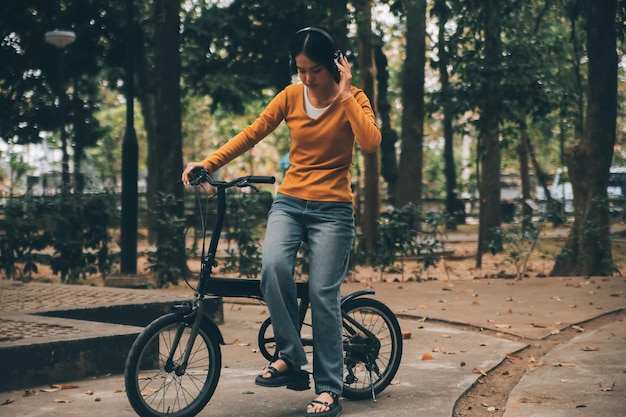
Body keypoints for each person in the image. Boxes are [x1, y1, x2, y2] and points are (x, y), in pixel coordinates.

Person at [182, 26, 381, 417]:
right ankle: (290, 355)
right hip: (289, 203)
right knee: (272, 268)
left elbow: (371, 143)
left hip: (333, 211)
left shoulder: (353, 99)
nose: (306, 78)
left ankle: (328, 389)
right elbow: (252, 133)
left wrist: (345, 97)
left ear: (334, 66)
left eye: (315, 71)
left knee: (324, 295)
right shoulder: (291, 96)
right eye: (300, 69)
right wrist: (208, 163)